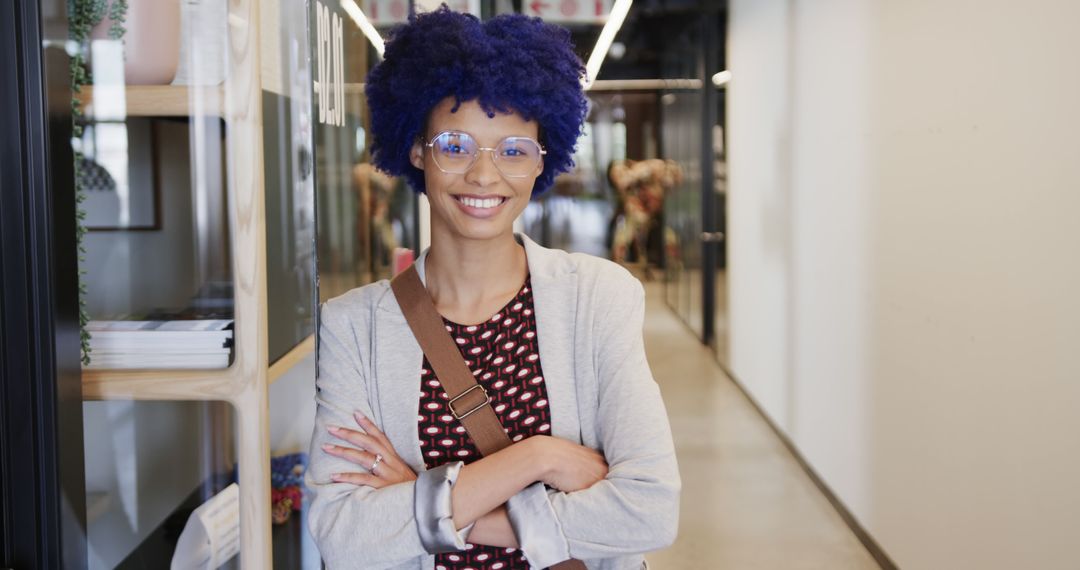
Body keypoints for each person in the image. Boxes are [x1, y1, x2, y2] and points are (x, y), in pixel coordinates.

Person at [306, 7, 681, 570]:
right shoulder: (353, 327)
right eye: (455, 145)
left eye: (513, 150)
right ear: (417, 150)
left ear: (539, 162)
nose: (485, 176)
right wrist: (540, 457)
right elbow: (343, 534)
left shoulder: (598, 299)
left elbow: (649, 510)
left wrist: (433, 503)